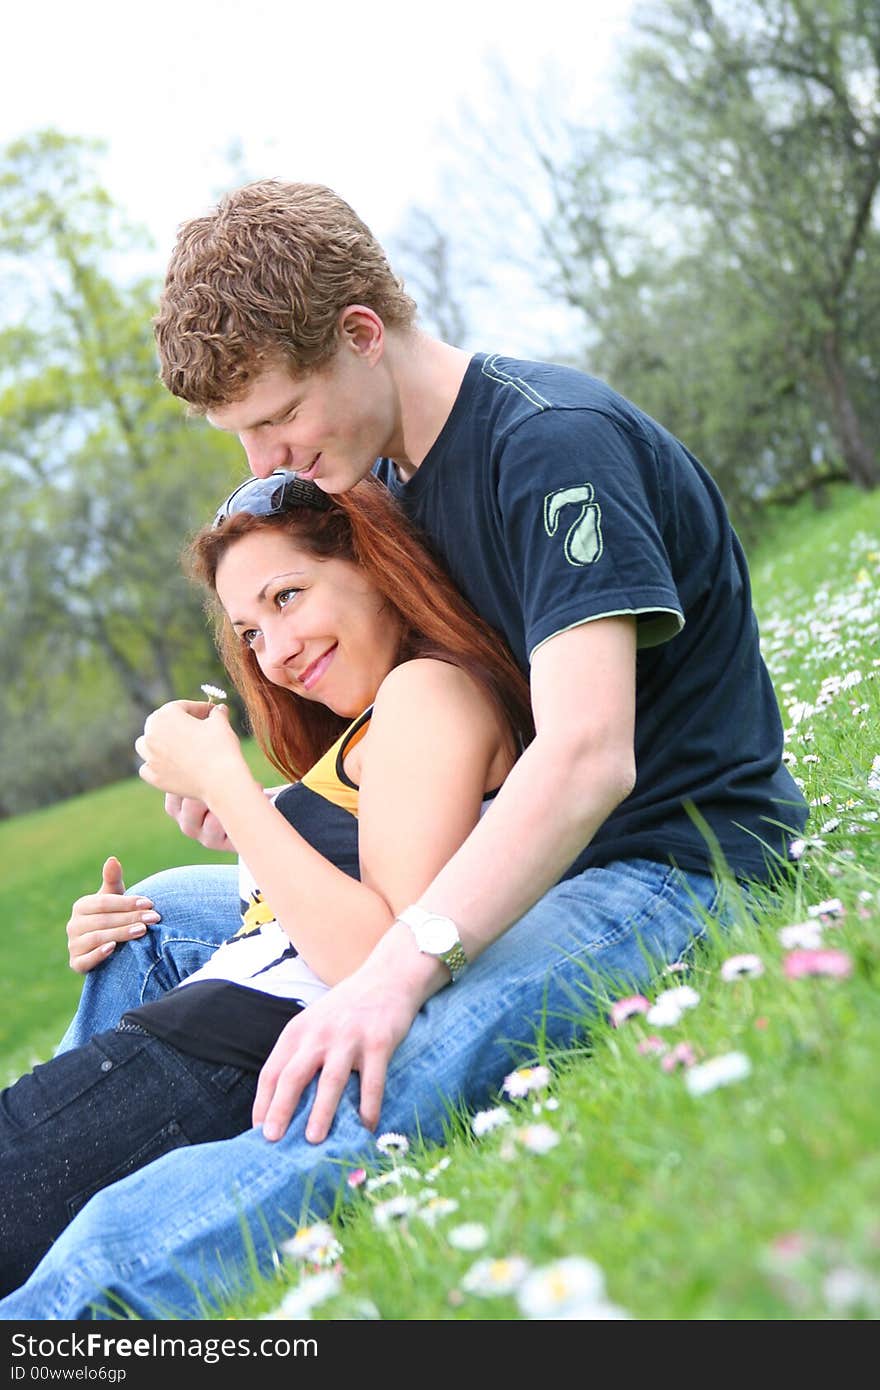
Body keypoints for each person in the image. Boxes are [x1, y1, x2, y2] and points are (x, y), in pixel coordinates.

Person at [0, 180, 807, 1320]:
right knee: (161, 916)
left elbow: (585, 756)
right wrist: (256, 821)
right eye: (240, 433)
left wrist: (395, 971)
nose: (265, 452)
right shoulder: (378, 477)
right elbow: (414, 751)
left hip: (658, 871)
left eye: (276, 414)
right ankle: (78, 1139)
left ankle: (68, 1307)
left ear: (362, 336)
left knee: (379, 1059)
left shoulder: (547, 446)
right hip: (499, 860)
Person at [0, 470, 530, 1300]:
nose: (274, 651)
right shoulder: (383, 717)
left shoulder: (430, 690)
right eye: (249, 630)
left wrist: (231, 788)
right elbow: (361, 855)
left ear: (376, 562)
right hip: (187, 1049)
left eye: (288, 597)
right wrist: (241, 825)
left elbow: (382, 958)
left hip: (216, 1062)